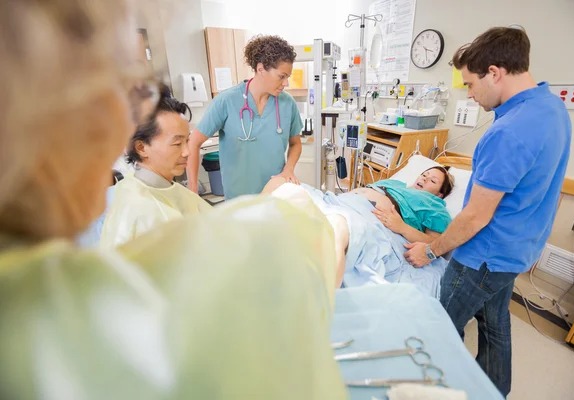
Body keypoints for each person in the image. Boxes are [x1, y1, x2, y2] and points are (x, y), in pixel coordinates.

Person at [0, 1, 346, 398]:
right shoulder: (150, 219)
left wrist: (281, 179)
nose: (125, 117)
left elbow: (288, 149)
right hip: (250, 197)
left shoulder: (283, 108)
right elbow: (279, 275)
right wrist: (307, 217)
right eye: (128, 85)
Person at [403, 27, 571, 397]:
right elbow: (550, 189)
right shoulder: (552, 108)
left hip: (481, 257)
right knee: (496, 326)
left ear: (495, 72)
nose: (469, 94)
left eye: (470, 84)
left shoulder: (508, 131)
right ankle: (494, 392)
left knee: (438, 331)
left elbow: (476, 217)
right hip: (515, 252)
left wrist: (430, 250)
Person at [262, 166, 454, 289]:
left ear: (439, 194)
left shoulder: (435, 206)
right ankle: (253, 242)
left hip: (367, 217)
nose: (424, 178)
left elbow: (437, 244)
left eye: (432, 181)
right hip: (338, 201)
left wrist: (402, 227)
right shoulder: (397, 184)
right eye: (424, 173)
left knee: (337, 226)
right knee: (278, 183)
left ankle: (321, 309)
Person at [187, 35, 303, 199]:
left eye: (288, 77)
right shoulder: (226, 101)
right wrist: (192, 188)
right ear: (261, 69)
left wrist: (289, 169)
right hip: (238, 197)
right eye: (281, 76)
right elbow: (194, 142)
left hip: (275, 195)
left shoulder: (287, 103)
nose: (286, 83)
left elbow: (295, 144)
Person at [101, 90, 212, 247]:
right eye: (177, 144)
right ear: (141, 148)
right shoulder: (141, 210)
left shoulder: (169, 190)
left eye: (187, 141)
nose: (187, 152)